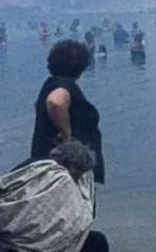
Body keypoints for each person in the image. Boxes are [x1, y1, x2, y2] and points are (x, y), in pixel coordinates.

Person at [30, 39, 105, 184]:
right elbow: (55, 102)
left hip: (49, 166)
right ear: (81, 65)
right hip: (67, 170)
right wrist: (67, 134)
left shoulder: (50, 83)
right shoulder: (64, 87)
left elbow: (38, 104)